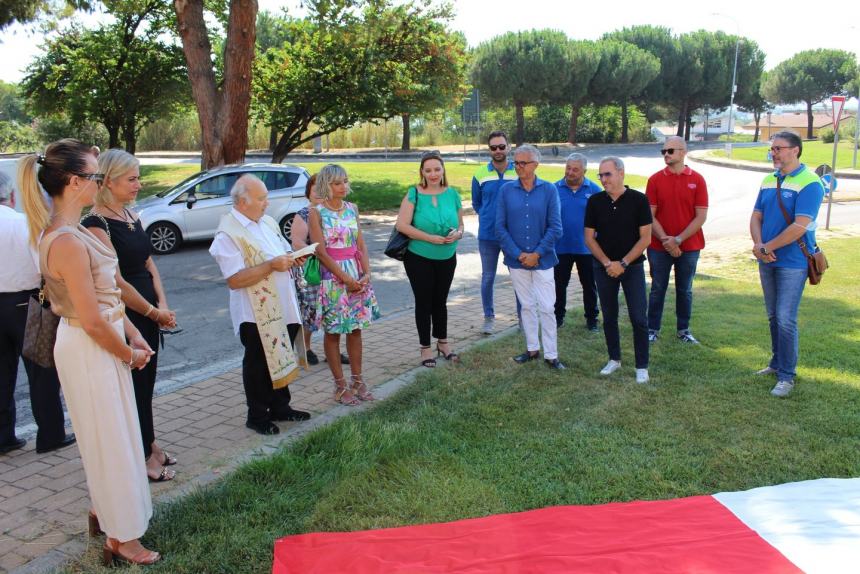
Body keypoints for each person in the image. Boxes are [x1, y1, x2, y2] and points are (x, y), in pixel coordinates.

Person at [19, 139, 159, 564]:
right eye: (96, 176)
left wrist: (134, 332)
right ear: (76, 182)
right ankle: (122, 538)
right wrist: (128, 353)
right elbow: (91, 319)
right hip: (89, 346)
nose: (99, 183)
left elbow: (109, 296)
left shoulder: (77, 229)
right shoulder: (64, 240)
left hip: (102, 340)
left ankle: (108, 512)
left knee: (115, 435)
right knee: (110, 439)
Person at [81, 149, 179, 482]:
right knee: (134, 389)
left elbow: (150, 264)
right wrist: (153, 312)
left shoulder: (130, 215)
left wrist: (162, 306)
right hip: (128, 317)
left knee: (146, 386)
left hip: (150, 315)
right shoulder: (96, 224)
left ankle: (150, 445)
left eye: (138, 177)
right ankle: (144, 460)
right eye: (132, 179)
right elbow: (116, 282)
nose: (139, 184)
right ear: (108, 181)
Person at [209, 175, 311, 436]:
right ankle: (257, 415)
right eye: (262, 198)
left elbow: (279, 254)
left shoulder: (266, 222)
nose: (267, 202)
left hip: (282, 305)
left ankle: (280, 406)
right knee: (258, 363)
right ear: (243, 202)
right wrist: (271, 266)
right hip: (254, 313)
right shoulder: (227, 234)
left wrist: (291, 259)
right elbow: (235, 279)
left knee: (281, 354)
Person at [0, 173, 74, 455]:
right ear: (11, 197)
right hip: (25, 303)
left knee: (2, 373)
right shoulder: (22, 224)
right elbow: (40, 265)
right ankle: (51, 434)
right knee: (42, 370)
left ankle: (4, 436)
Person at [750, 131, 825, 398]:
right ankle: (776, 363)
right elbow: (756, 216)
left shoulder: (811, 183)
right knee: (773, 315)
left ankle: (786, 376)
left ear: (795, 150)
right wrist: (760, 247)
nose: (774, 153)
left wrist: (767, 247)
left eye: (778, 148)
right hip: (767, 259)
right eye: (772, 149)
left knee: (785, 318)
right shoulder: (768, 179)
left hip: (793, 262)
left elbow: (799, 227)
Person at [309, 164, 380, 405]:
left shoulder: (352, 209)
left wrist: (366, 273)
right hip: (333, 278)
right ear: (325, 185)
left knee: (355, 329)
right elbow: (321, 253)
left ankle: (358, 381)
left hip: (356, 275)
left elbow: (361, 245)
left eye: (345, 181)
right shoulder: (316, 212)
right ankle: (340, 386)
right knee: (333, 331)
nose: (343, 187)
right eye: (337, 183)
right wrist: (345, 279)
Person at [584, 157, 652, 384]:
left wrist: (622, 263)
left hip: (631, 267)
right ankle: (614, 358)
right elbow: (589, 238)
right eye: (600, 175)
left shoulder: (639, 200)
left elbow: (645, 238)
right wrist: (606, 263)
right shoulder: (595, 201)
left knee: (638, 317)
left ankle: (642, 366)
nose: (603, 180)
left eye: (608, 174)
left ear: (621, 173)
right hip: (603, 267)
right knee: (609, 315)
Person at [496, 144, 564, 370]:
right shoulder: (506, 190)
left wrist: (536, 254)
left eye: (523, 163)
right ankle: (532, 348)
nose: (518, 167)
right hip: (517, 262)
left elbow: (556, 228)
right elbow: (500, 228)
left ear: (535, 164)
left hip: (543, 260)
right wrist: (519, 254)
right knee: (526, 305)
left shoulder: (549, 190)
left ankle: (551, 354)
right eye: (515, 162)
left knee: (546, 306)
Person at [396, 151, 464, 368]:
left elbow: (461, 224)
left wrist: (459, 233)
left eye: (437, 169)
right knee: (424, 302)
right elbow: (402, 225)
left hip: (447, 256)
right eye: (428, 170)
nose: (433, 174)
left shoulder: (452, 194)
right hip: (419, 256)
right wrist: (430, 238)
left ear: (443, 170)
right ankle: (425, 348)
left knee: (440, 301)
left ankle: (443, 343)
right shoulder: (413, 193)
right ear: (422, 172)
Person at [645, 136, 708, 344]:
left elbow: (701, 216)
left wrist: (678, 240)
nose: (666, 155)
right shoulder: (655, 180)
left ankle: (683, 330)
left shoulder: (697, 179)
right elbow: (649, 215)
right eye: (663, 151)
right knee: (657, 288)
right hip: (658, 245)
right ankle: (652, 329)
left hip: (689, 246)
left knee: (685, 289)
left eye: (670, 151)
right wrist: (666, 240)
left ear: (683, 152)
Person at [289, 174, 349, 366]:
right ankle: (305, 349)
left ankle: (333, 351)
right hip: (313, 269)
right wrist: (316, 252)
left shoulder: (332, 212)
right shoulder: (304, 213)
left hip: (333, 269)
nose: (318, 194)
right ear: (308, 193)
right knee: (311, 310)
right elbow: (296, 241)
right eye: (314, 190)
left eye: (321, 189)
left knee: (334, 310)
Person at [471, 130, 517, 334]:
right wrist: (488, 216)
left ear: (508, 147)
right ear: (489, 150)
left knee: (518, 277)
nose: (498, 150)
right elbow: (476, 202)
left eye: (501, 146)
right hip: (488, 235)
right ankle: (488, 318)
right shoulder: (480, 174)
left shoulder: (519, 171)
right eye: (493, 147)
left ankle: (523, 318)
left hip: (513, 235)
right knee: (488, 277)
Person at [553, 153, 602, 332]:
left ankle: (592, 320)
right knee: (559, 285)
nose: (570, 172)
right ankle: (558, 317)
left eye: (575, 169)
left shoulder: (595, 190)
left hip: (587, 249)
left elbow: (602, 220)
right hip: (560, 247)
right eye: (568, 168)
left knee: (589, 286)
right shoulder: (554, 189)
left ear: (584, 171)